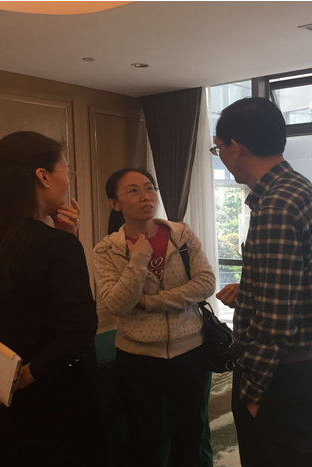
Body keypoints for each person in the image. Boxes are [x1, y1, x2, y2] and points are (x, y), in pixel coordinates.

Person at [0, 131, 104, 464]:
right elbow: (80, 328)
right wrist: (27, 375)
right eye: (66, 171)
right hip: (57, 393)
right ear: (43, 176)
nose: (67, 181)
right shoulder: (57, 245)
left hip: (4, 391)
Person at [213, 97, 312, 467]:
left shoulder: (276, 207)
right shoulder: (299, 189)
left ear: (235, 147)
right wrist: (250, 292)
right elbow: (295, 284)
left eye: (218, 148)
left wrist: (251, 392)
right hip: (305, 367)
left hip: (281, 377)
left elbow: (276, 322)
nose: (221, 156)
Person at [93, 168, 216, 467]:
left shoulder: (181, 235)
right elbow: (117, 304)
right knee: (144, 437)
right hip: (137, 357)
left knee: (190, 432)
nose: (146, 196)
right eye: (133, 191)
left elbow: (205, 283)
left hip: (190, 350)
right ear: (115, 203)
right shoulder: (107, 249)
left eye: (149, 188)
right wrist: (138, 259)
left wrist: (150, 302)